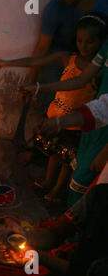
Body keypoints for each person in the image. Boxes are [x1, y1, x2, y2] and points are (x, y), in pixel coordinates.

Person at [0, 12, 107, 207]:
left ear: (101, 43)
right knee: (54, 152)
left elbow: (80, 86)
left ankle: (57, 190)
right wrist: (7, 63)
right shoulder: (67, 58)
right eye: (80, 40)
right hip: (56, 114)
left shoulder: (99, 71)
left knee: (68, 161)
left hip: (75, 124)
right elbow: (36, 61)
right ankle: (47, 182)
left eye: (90, 42)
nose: (84, 46)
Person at [23, 36, 108, 207]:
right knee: (66, 163)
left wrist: (105, 152)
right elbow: (78, 81)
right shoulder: (104, 49)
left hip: (98, 132)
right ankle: (68, 217)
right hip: (90, 123)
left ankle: (74, 223)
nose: (83, 45)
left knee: (81, 175)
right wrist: (39, 88)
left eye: (89, 40)